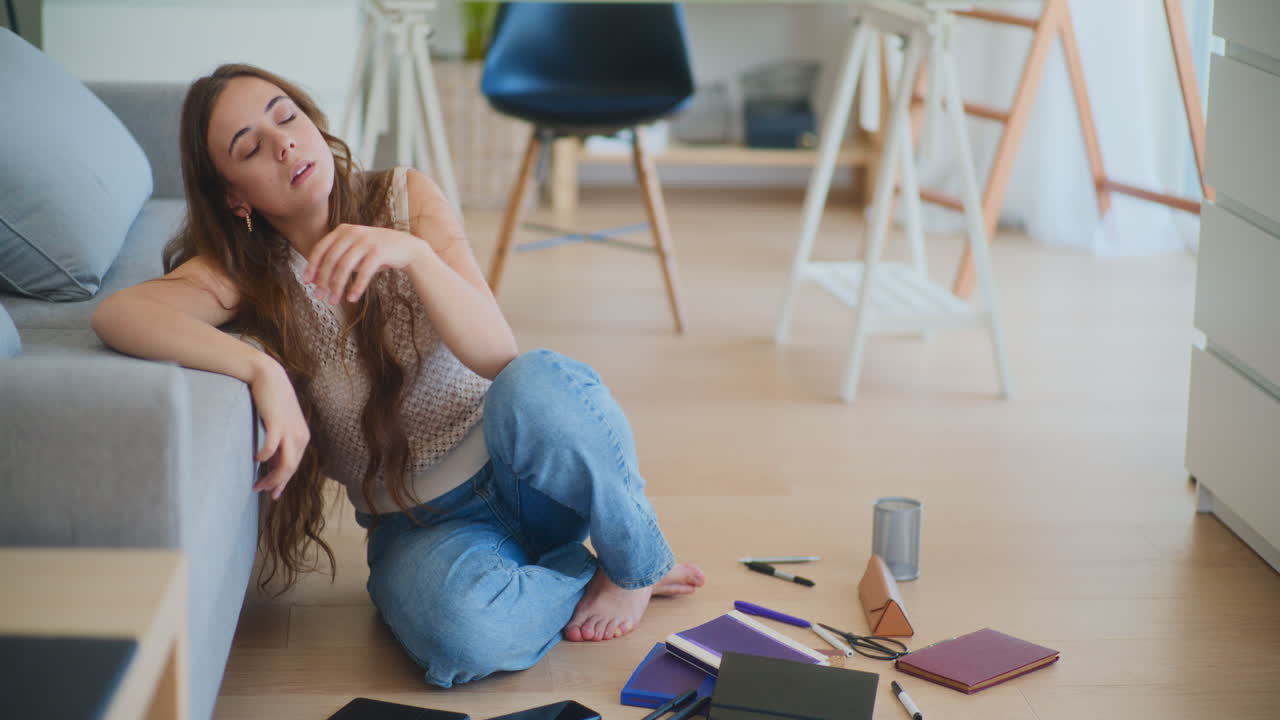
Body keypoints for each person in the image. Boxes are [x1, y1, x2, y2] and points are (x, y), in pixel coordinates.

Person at [90, 63, 705, 688]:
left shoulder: (403, 196)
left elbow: (498, 354)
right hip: (424, 531)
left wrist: (410, 255)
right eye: (250, 148)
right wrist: (260, 368)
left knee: (541, 381)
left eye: (287, 117)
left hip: (525, 471)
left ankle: (632, 565)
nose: (283, 145)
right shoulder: (244, 273)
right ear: (235, 197)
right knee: (461, 633)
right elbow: (120, 312)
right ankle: (588, 575)